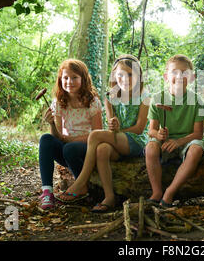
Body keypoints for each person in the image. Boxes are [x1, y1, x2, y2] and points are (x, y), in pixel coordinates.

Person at [56, 55, 149, 213]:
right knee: (102, 149)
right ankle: (109, 197)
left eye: (130, 74)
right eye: (120, 75)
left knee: (95, 135)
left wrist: (118, 131)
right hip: (117, 141)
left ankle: (80, 182)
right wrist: (113, 127)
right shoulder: (110, 97)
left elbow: (139, 129)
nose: (124, 79)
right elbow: (111, 129)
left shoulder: (144, 96)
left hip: (136, 142)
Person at [38, 59, 103, 210]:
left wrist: (70, 140)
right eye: (66, 78)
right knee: (46, 139)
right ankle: (47, 191)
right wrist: (52, 124)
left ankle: (82, 187)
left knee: (70, 148)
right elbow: (58, 136)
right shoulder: (60, 102)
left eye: (74, 77)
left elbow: (97, 134)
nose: (69, 81)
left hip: (86, 149)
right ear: (60, 79)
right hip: (67, 148)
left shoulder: (92, 102)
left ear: (83, 79)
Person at [145, 54, 204, 208]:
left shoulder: (197, 100)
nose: (179, 76)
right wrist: (159, 135)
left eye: (184, 73)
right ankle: (157, 192)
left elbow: (198, 133)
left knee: (197, 148)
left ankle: (169, 193)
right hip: (165, 142)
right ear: (166, 76)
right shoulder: (157, 98)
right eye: (174, 72)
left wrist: (179, 141)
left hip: (187, 141)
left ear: (191, 78)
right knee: (151, 147)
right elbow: (151, 130)